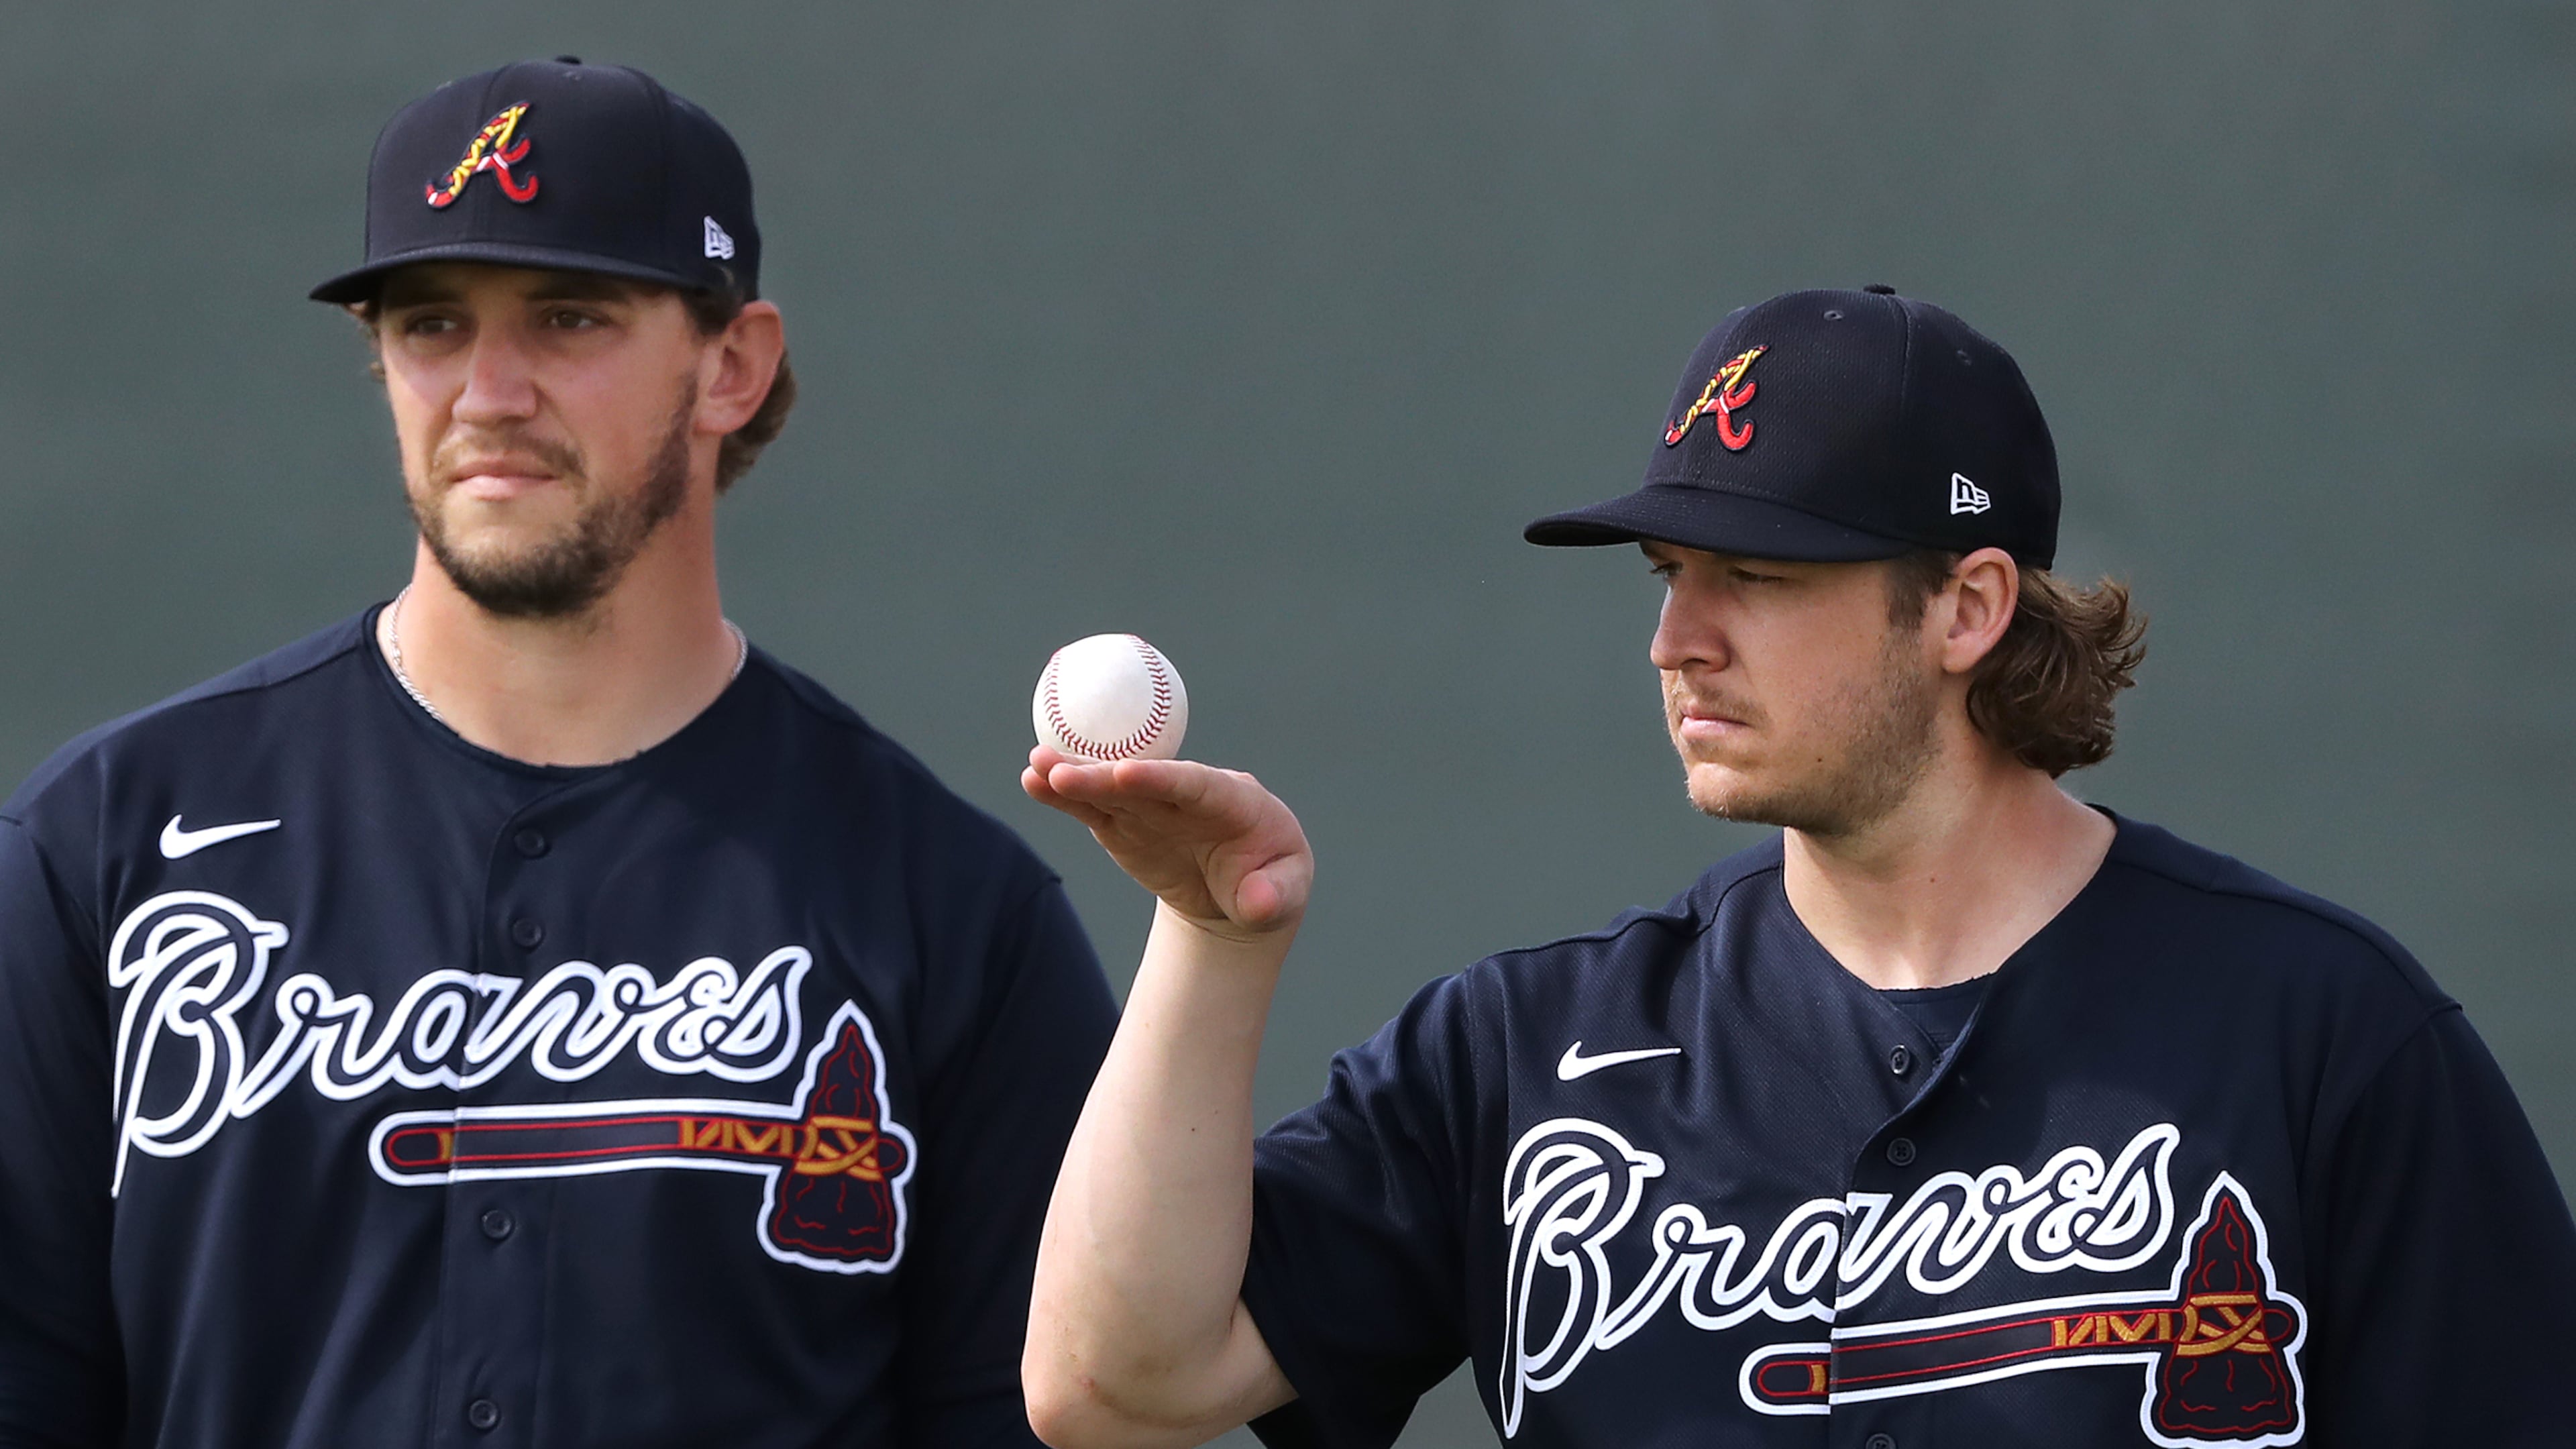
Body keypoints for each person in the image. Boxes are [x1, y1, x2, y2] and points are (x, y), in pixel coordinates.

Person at [1018, 286, 2576, 1448]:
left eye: (1757, 576)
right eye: (1669, 572)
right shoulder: (1531, 1057)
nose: (1676, 640)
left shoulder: (2316, 1035)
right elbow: (1113, 1384)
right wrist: (1214, 939)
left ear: (1966, 610)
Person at [0, 58, 1116, 1448]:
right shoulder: (107, 851)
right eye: (430, 325)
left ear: (733, 366)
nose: (488, 389)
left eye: (570, 317)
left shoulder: (947, 911)